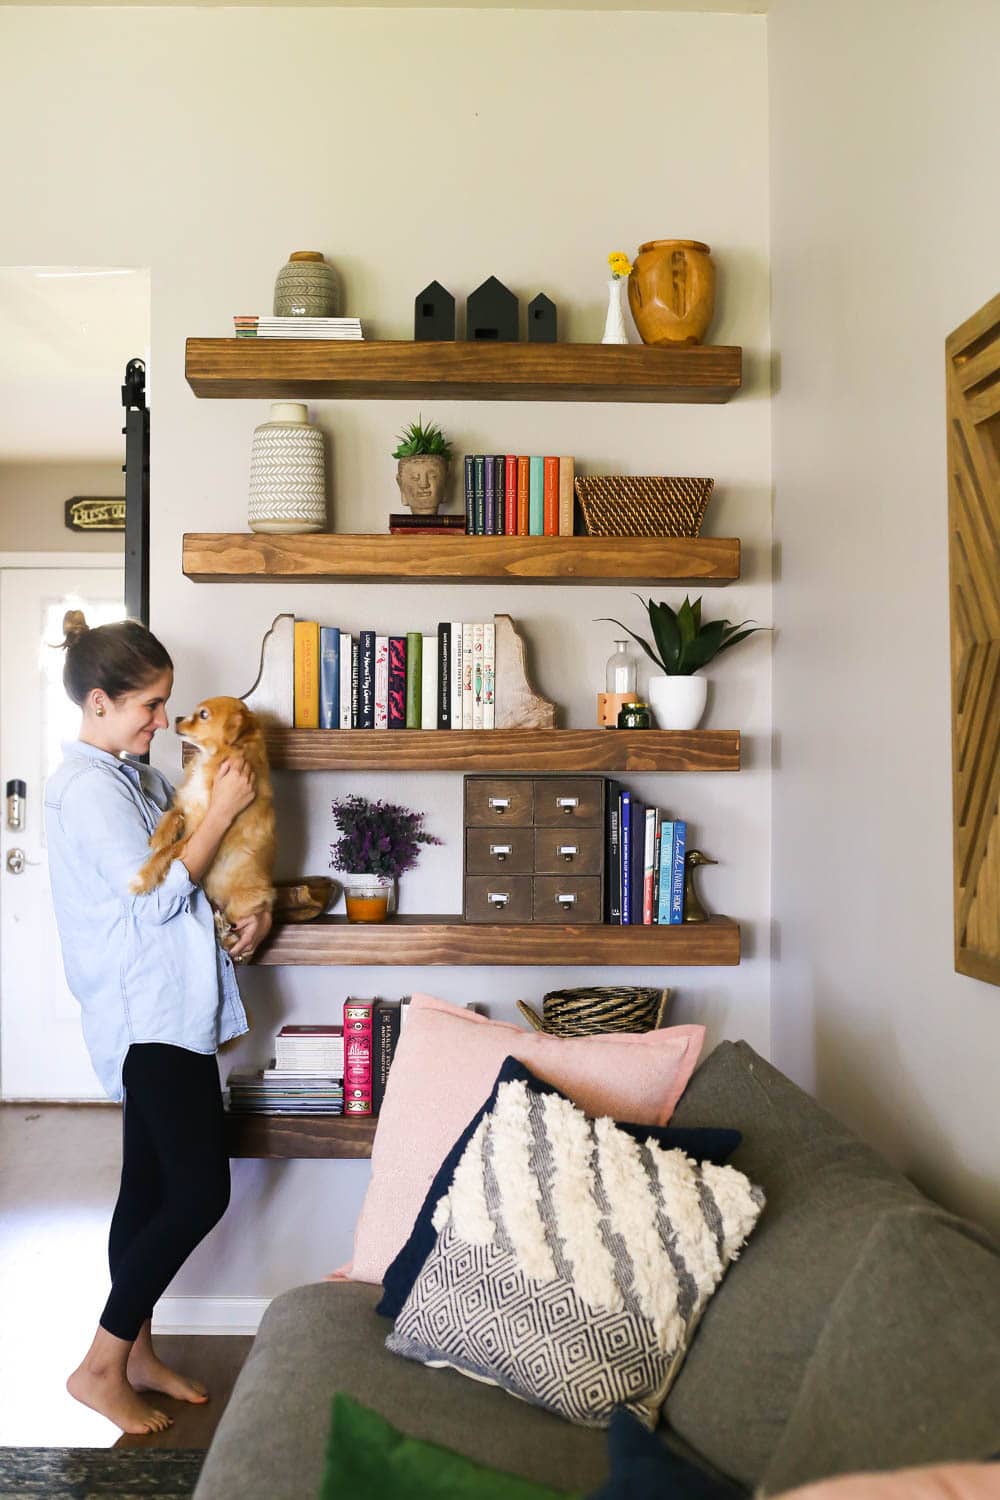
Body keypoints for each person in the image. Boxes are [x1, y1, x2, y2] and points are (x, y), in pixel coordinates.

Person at [44, 611, 271, 1436]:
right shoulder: (86, 787)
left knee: (145, 1187)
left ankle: (135, 1353)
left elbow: (188, 887)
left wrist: (249, 912)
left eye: (168, 703)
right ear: (100, 702)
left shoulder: (128, 775)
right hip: (147, 1012)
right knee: (199, 1190)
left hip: (171, 1002)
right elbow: (154, 889)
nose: (160, 722)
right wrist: (222, 810)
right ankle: (100, 1366)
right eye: (149, 706)